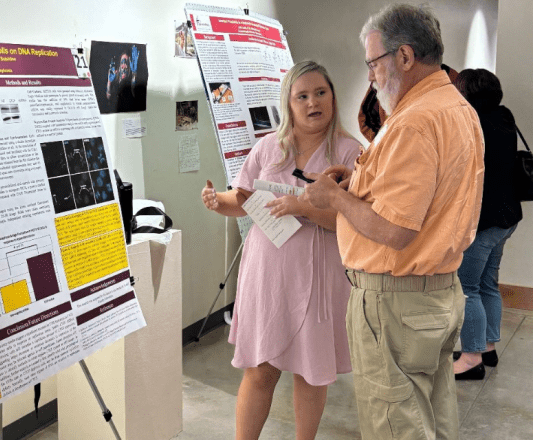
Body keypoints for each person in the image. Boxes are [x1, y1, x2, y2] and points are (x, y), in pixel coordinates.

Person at [299, 4, 484, 440]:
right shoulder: (456, 107)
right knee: (431, 420)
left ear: (404, 57)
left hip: (396, 304)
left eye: (373, 63)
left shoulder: (414, 121)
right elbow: (429, 195)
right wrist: (360, 180)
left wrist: (333, 199)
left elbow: (395, 230)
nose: (370, 76)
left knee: (395, 426)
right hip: (435, 293)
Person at [201, 61, 360, 440]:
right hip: (268, 276)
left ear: (333, 96)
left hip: (321, 277)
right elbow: (242, 199)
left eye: (320, 93)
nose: (312, 102)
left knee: (311, 372)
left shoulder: (351, 152)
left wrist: (304, 208)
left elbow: (353, 222)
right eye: (301, 96)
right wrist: (216, 201)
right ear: (288, 103)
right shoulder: (269, 147)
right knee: (260, 370)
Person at [452, 69, 523, 380]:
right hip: (507, 218)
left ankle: (470, 358)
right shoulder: (504, 117)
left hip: (484, 221)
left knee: (467, 288)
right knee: (487, 284)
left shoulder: (473, 124)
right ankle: (487, 348)